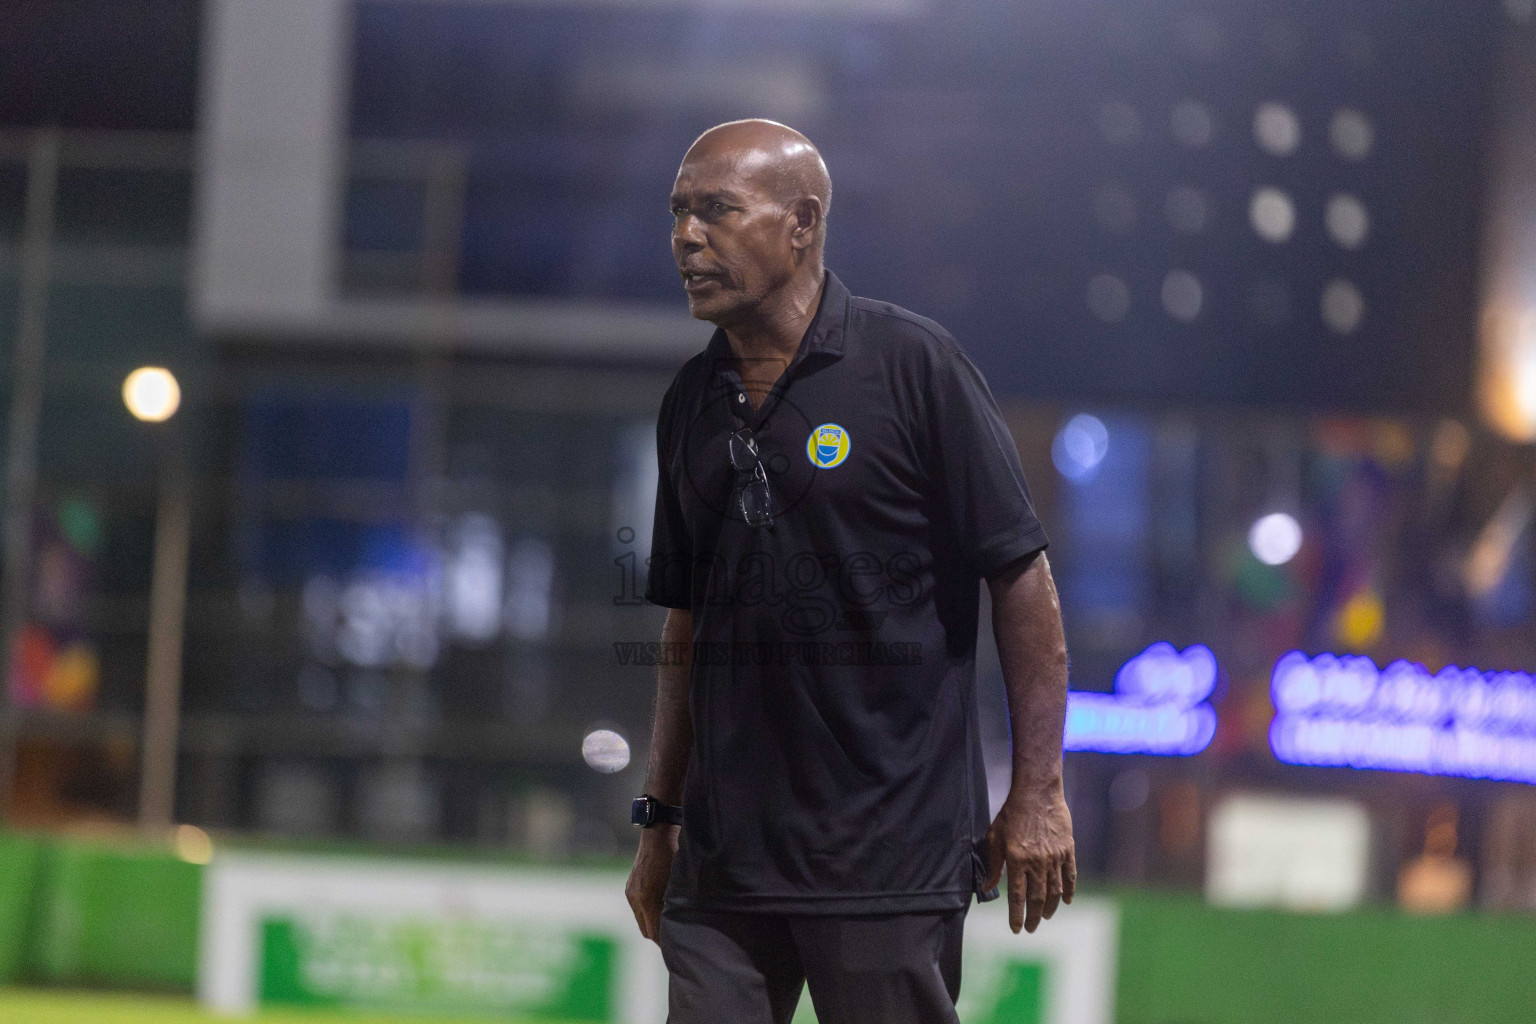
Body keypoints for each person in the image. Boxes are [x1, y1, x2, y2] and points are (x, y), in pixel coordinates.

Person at [626, 119, 1074, 1024]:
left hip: (889, 863)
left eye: (716, 210)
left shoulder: (914, 367)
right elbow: (687, 623)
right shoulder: (689, 402)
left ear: (802, 223)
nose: (686, 236)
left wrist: (1039, 793)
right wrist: (659, 818)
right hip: (724, 869)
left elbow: (1021, 579)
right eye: (678, 213)